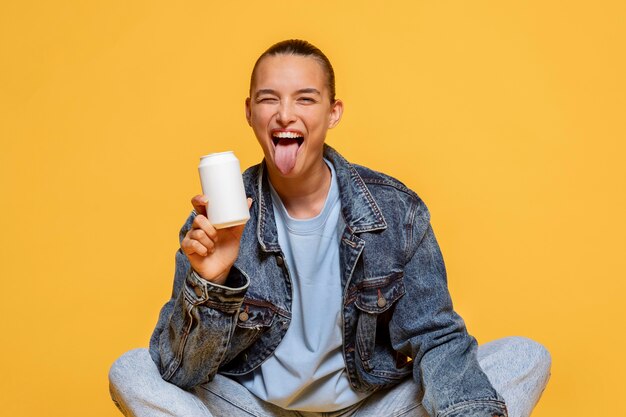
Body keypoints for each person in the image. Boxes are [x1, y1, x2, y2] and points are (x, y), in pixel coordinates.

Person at [109, 39, 551, 417]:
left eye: (305, 98)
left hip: (368, 407)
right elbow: (181, 373)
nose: (285, 114)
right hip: (254, 409)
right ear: (249, 112)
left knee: (523, 357)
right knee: (131, 370)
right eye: (269, 99)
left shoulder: (395, 210)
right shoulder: (213, 226)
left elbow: (435, 339)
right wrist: (213, 283)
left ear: (333, 111)